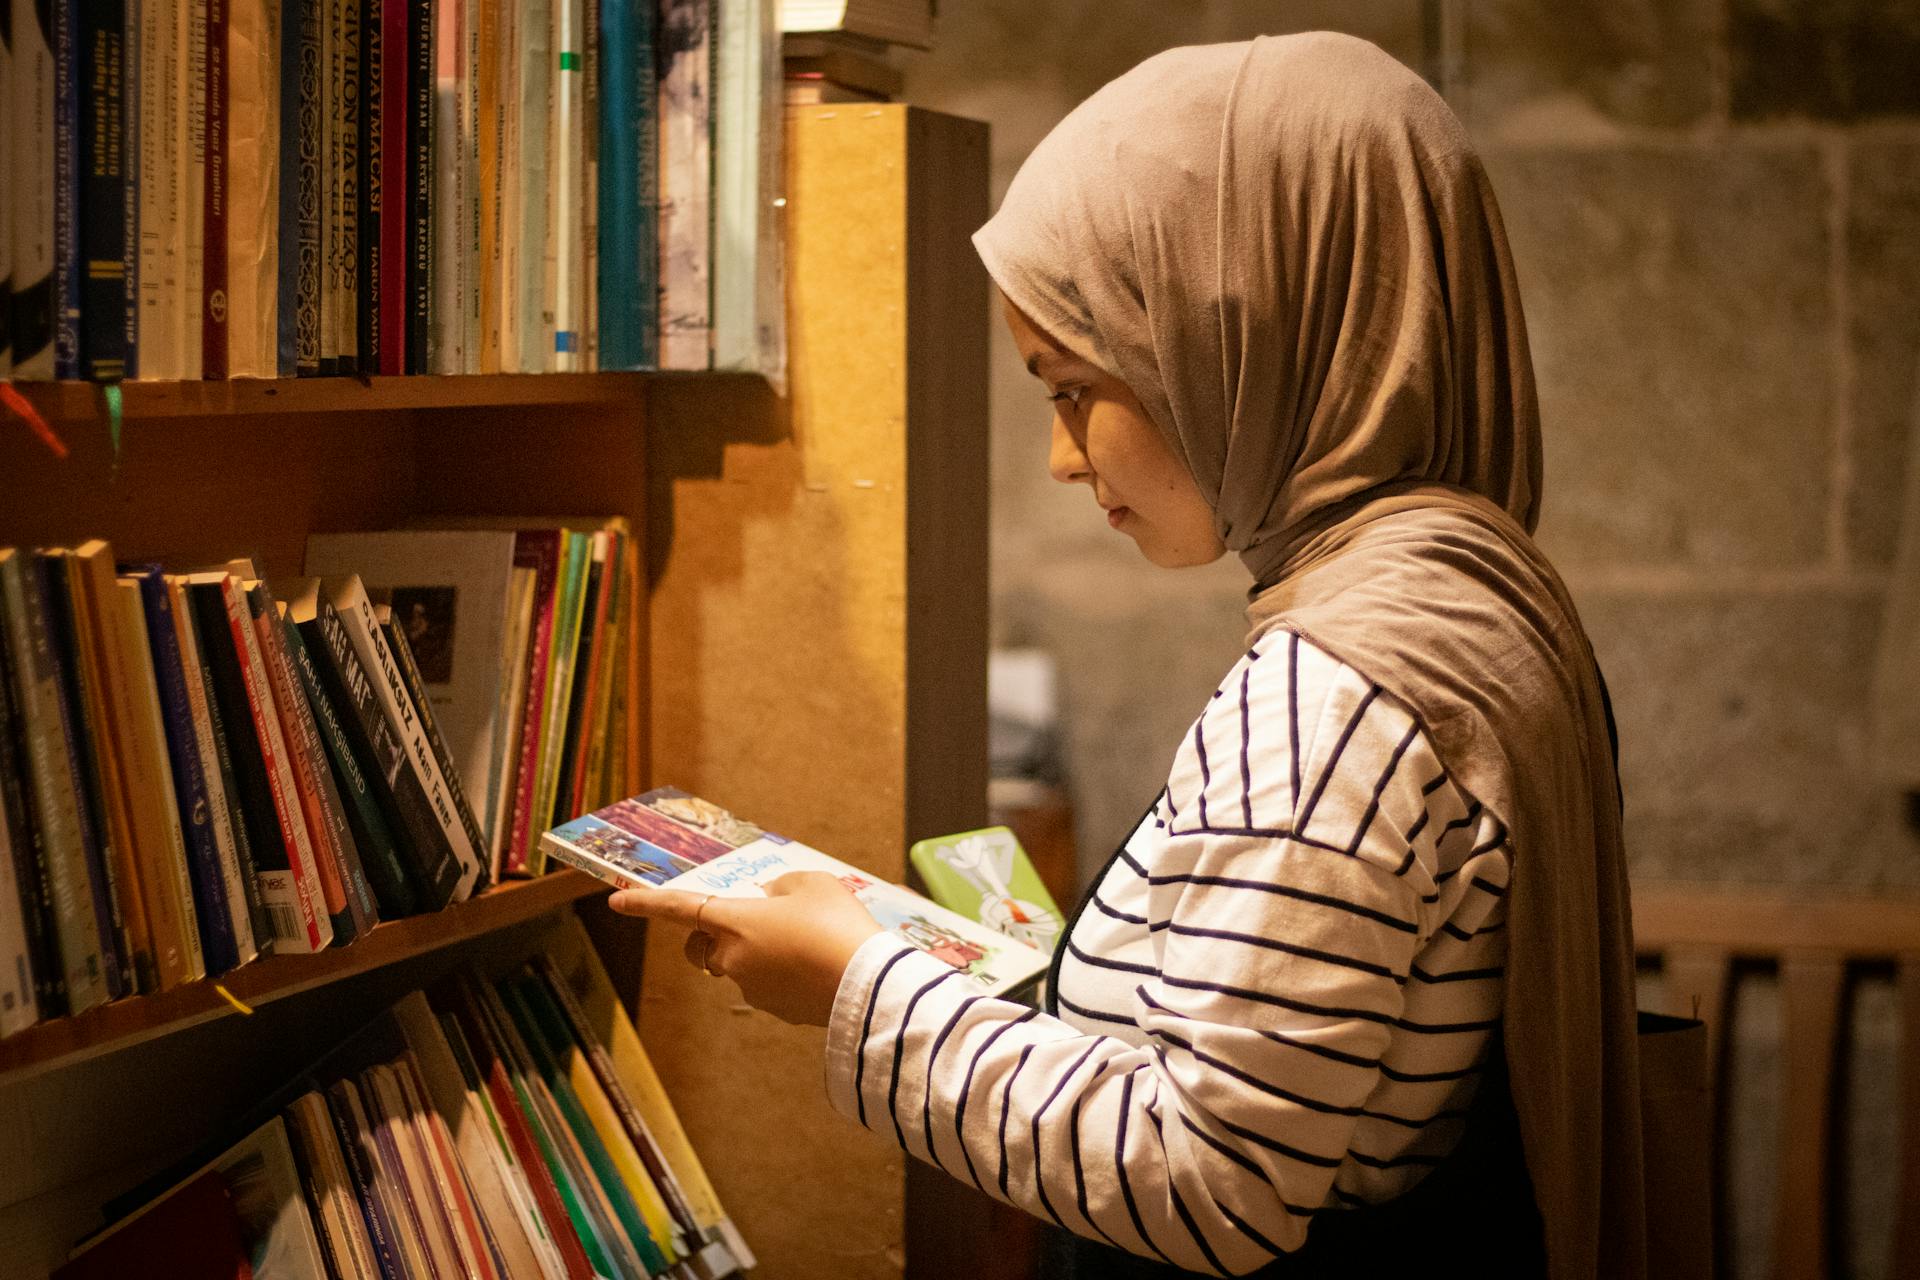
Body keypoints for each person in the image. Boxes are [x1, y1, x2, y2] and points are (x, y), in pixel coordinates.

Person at [610, 31, 1645, 1280]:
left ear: (1235, 330)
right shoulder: (1473, 589)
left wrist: (852, 986)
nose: (1062, 456)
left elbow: (1211, 1180)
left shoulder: (1332, 693)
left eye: (1070, 386)